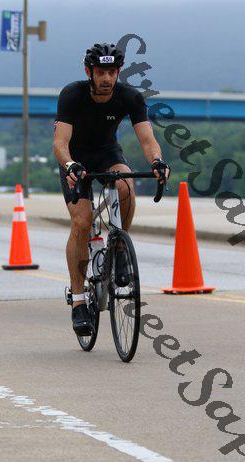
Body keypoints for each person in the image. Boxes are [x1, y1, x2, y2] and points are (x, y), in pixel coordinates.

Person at [53, 42, 170, 336]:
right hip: (75, 160)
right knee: (82, 222)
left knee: (125, 183)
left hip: (107, 153)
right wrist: (69, 165)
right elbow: (60, 143)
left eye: (112, 72)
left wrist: (157, 162)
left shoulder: (129, 96)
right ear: (89, 72)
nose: (107, 78)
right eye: (101, 72)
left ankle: (119, 248)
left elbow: (147, 139)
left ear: (119, 72)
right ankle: (78, 301)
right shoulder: (72, 94)